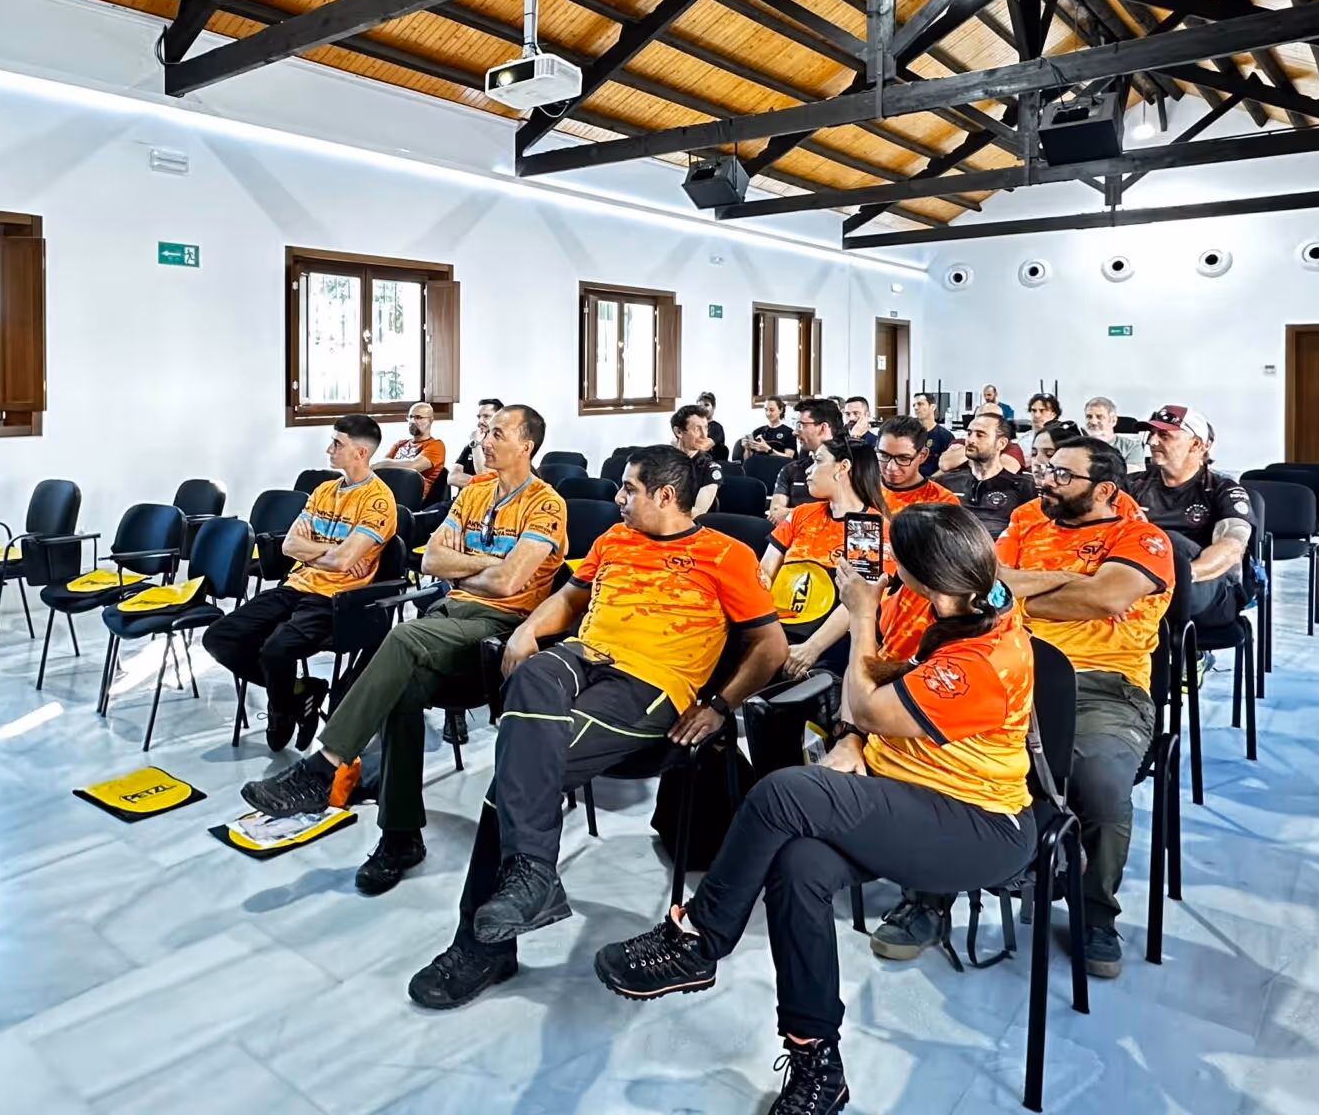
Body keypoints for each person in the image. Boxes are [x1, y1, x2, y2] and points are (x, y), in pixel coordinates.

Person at [588, 506, 1037, 1113]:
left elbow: (873, 701)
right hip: (901, 789)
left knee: (783, 791)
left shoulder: (984, 656)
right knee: (798, 868)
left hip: (978, 824)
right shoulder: (929, 598)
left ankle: (697, 939)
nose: (883, 568)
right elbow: (871, 697)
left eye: (894, 559)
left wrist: (862, 616)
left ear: (924, 574)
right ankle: (816, 1061)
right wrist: (850, 737)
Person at [406, 446, 788, 1010]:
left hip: (650, 687)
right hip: (586, 657)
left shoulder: (724, 555)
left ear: (664, 495)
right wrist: (526, 632)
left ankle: (484, 943)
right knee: (534, 669)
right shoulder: (613, 541)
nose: (617, 498)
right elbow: (569, 597)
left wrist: (720, 705)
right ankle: (531, 878)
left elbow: (770, 645)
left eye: (629, 490)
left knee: (511, 782)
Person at [241, 405, 563, 893]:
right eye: (484, 431)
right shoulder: (473, 493)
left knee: (402, 637)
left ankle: (324, 768)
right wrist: (482, 563)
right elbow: (432, 558)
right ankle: (400, 838)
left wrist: (469, 567)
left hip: (501, 628)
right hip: (449, 617)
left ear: (527, 446)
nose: (485, 439)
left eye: (497, 433)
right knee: (403, 690)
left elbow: (509, 582)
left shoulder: (546, 504)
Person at [985, 436, 1173, 979]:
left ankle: (1095, 913)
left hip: (1103, 688)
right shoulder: (1025, 520)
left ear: (1105, 489)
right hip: (1009, 671)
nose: (1045, 480)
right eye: (1046, 469)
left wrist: (1020, 592)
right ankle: (929, 896)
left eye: (1062, 475)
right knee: (937, 750)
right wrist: (1072, 582)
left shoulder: (1143, 538)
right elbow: (985, 585)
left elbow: (1109, 598)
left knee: (1100, 783)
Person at [204, 415, 397, 750]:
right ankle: (297, 693)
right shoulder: (324, 490)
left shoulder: (379, 501)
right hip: (297, 584)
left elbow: (341, 562)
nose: (329, 449)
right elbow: (289, 545)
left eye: (337, 443)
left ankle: (281, 712)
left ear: (360, 452)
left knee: (276, 650)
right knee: (220, 637)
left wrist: (323, 554)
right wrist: (332, 551)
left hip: (337, 599)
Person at [762, 440, 890, 682]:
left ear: (842, 468)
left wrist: (812, 647)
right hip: (777, 625)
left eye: (818, 460)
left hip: (828, 637)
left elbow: (857, 602)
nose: (808, 470)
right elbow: (764, 573)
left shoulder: (869, 528)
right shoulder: (801, 514)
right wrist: (761, 630)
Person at [1124, 406, 1254, 627]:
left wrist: (1182, 578)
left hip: (1208, 586)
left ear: (1196, 444)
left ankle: (1188, 655)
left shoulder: (1223, 489)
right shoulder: (1133, 484)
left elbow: (1231, 547)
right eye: (1151, 434)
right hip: (1142, 580)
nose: (1152, 442)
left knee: (1165, 539)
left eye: (1164, 435)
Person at [932, 412, 1038, 538]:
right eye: (969, 433)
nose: (970, 440)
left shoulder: (1024, 486)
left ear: (1001, 443)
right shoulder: (945, 483)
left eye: (980, 435)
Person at [768, 397, 843, 519]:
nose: (795, 432)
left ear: (823, 428)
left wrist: (792, 514)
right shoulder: (791, 470)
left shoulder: (846, 470)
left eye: (801, 425)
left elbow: (844, 513)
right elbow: (776, 513)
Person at [876, 417, 960, 514]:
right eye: (884, 455)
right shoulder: (863, 490)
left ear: (922, 455)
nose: (891, 467)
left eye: (903, 459)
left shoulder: (942, 501)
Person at [377, 401, 449, 503]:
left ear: (430, 420)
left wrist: (382, 464)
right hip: (387, 493)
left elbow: (413, 466)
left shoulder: (436, 445)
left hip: (411, 499)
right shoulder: (400, 444)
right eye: (410, 417)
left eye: (418, 417)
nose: (413, 421)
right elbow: (381, 469)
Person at [673, 403, 726, 516]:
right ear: (678, 432)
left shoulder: (709, 468)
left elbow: (697, 513)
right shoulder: (663, 462)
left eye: (706, 428)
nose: (704, 435)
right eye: (697, 429)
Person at [447, 397, 503, 492]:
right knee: (432, 508)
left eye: (486, 416)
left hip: (483, 503)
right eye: (479, 417)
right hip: (460, 501)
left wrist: (476, 442)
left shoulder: (503, 447)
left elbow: (484, 473)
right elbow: (452, 477)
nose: (480, 421)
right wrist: (481, 482)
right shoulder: (470, 447)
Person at [1083, 396, 1150, 471]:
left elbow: (1135, 475)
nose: (1093, 422)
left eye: (1099, 417)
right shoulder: (1078, 447)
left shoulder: (1132, 446)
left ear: (1113, 421)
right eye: (1089, 417)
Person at [908, 393, 957, 479]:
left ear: (933, 407)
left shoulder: (945, 436)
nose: (915, 408)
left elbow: (949, 465)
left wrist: (929, 480)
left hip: (933, 481)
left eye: (920, 404)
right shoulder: (908, 434)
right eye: (914, 405)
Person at [697, 391, 731, 463]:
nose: (703, 408)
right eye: (700, 406)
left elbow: (704, 446)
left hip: (713, 466)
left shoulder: (716, 428)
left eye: (706, 405)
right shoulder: (694, 426)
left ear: (713, 407)